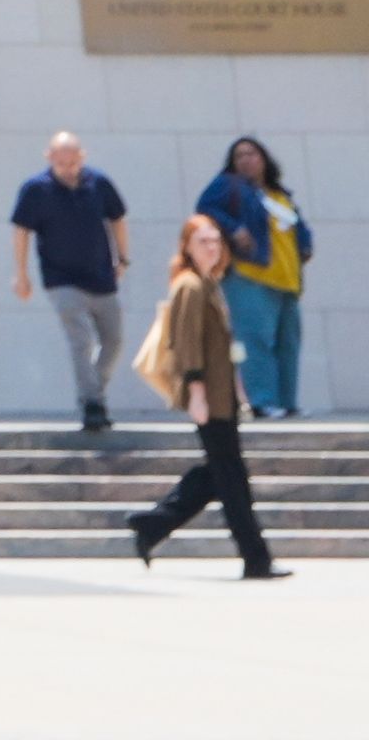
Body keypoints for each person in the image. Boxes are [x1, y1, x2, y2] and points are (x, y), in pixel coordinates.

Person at [125, 214, 287, 577]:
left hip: (221, 393)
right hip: (208, 396)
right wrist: (196, 392)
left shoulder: (208, 283)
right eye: (203, 241)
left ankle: (152, 525)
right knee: (230, 477)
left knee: (221, 473)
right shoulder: (190, 286)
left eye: (216, 240)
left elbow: (221, 347)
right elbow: (186, 345)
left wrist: (237, 387)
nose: (212, 247)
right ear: (186, 246)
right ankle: (255, 558)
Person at [10, 132, 130, 428]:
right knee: (81, 340)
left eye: (73, 161)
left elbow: (117, 218)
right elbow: (21, 231)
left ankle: (94, 394)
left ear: (83, 157)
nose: (68, 167)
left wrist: (123, 257)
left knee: (114, 341)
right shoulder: (35, 190)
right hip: (61, 279)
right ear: (49, 157)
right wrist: (21, 274)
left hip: (101, 276)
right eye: (61, 161)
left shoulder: (98, 183)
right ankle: (91, 404)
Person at [197, 137, 312, 421]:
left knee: (288, 343)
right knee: (255, 340)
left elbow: (298, 225)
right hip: (249, 275)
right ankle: (262, 401)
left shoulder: (278, 193)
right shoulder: (228, 185)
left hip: (286, 280)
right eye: (239, 156)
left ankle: (287, 402)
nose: (246, 160)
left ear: (264, 159)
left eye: (252, 154)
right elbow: (205, 208)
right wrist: (234, 228)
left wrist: (306, 244)